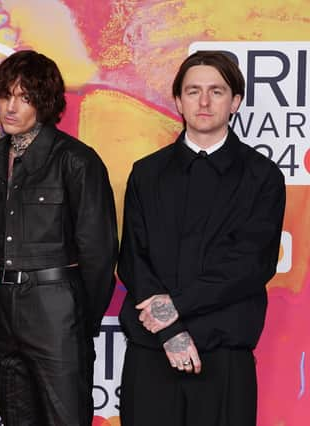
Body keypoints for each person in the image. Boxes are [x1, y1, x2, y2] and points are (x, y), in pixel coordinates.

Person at [118, 51, 286, 426]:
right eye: (193, 91)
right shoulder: (147, 173)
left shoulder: (263, 177)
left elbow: (249, 265)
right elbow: (133, 259)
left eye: (217, 91)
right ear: (178, 101)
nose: (205, 102)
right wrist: (171, 331)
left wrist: (174, 308)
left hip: (224, 358)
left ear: (236, 101)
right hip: (153, 352)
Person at [0, 50, 118, 425]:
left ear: (45, 102)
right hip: (3, 309)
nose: (11, 107)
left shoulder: (76, 160)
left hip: (57, 308)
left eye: (24, 98)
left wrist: (78, 322)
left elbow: (99, 253)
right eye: (6, 95)